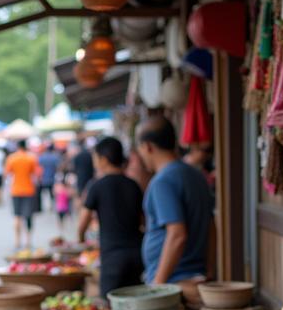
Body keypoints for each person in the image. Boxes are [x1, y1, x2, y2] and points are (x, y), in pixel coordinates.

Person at [137, 116, 212, 284]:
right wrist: (209, 269)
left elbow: (177, 235)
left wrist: (158, 286)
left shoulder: (163, 181)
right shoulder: (196, 175)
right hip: (195, 276)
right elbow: (211, 226)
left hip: (173, 282)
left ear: (147, 147)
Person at [78, 137, 145, 297]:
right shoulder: (133, 185)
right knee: (134, 299)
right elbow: (143, 221)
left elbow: (83, 221)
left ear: (103, 160)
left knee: (109, 303)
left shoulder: (97, 186)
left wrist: (81, 240)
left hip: (112, 257)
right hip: (137, 255)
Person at [5, 139, 41, 250]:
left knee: (17, 216)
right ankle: (28, 241)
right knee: (28, 217)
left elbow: (7, 173)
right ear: (26, 146)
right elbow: (38, 174)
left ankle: (17, 241)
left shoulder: (11, 158)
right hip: (29, 190)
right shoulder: (31, 158)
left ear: (17, 146)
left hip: (15, 190)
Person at [37, 143, 60, 212]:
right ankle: (51, 206)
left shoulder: (42, 157)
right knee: (51, 193)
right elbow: (58, 167)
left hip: (43, 178)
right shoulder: (55, 157)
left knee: (41, 193)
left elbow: (38, 167)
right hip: (52, 178)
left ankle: (41, 207)